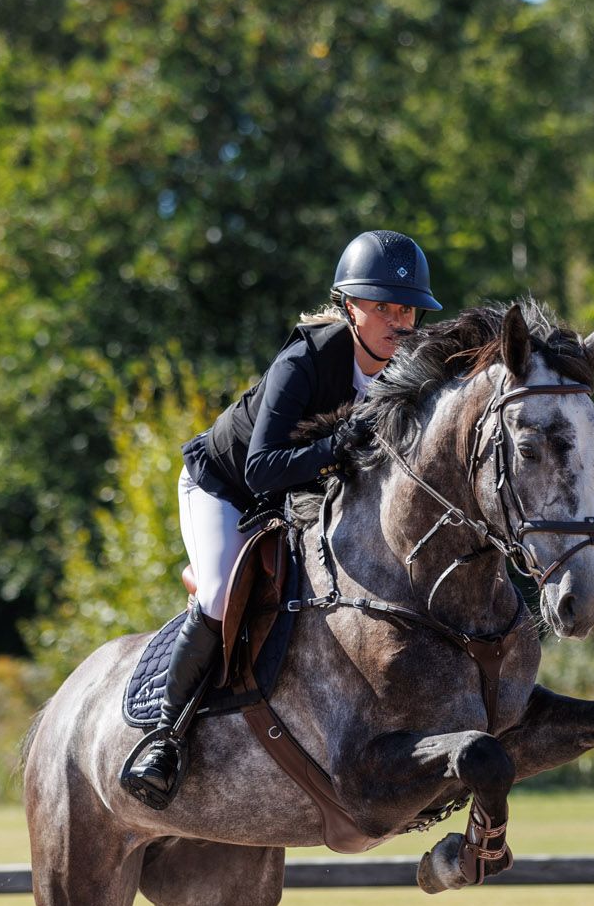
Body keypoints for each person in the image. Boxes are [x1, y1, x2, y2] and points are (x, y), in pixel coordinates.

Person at [121, 230, 442, 808]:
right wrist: (338, 445)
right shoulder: (307, 360)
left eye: (408, 309)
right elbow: (263, 467)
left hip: (297, 495)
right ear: (351, 308)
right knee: (220, 594)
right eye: (384, 308)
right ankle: (162, 739)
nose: (400, 321)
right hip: (224, 486)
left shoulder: (407, 372)